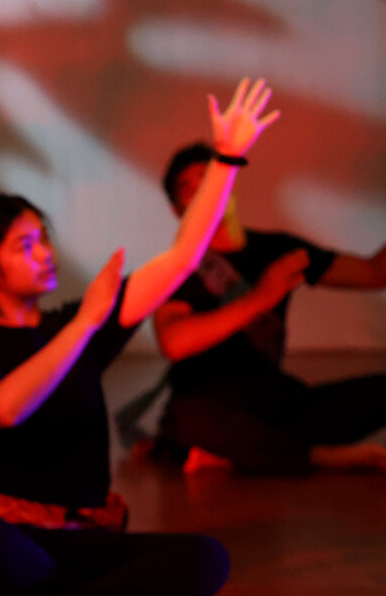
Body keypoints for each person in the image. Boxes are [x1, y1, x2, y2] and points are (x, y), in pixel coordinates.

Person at [0, 80, 279, 596]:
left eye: (43, 239)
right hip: (11, 541)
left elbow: (183, 257)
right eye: (24, 247)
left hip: (84, 541)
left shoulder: (82, 320)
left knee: (206, 559)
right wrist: (84, 325)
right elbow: (5, 408)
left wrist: (226, 160)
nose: (44, 254)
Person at [139, 142, 386, 474]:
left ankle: (253, 453)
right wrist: (260, 297)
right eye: (189, 189)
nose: (205, 193)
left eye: (210, 181)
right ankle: (320, 456)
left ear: (229, 185)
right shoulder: (176, 269)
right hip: (209, 406)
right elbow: (173, 342)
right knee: (185, 419)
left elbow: (373, 273)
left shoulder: (277, 249)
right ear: (176, 210)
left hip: (277, 401)